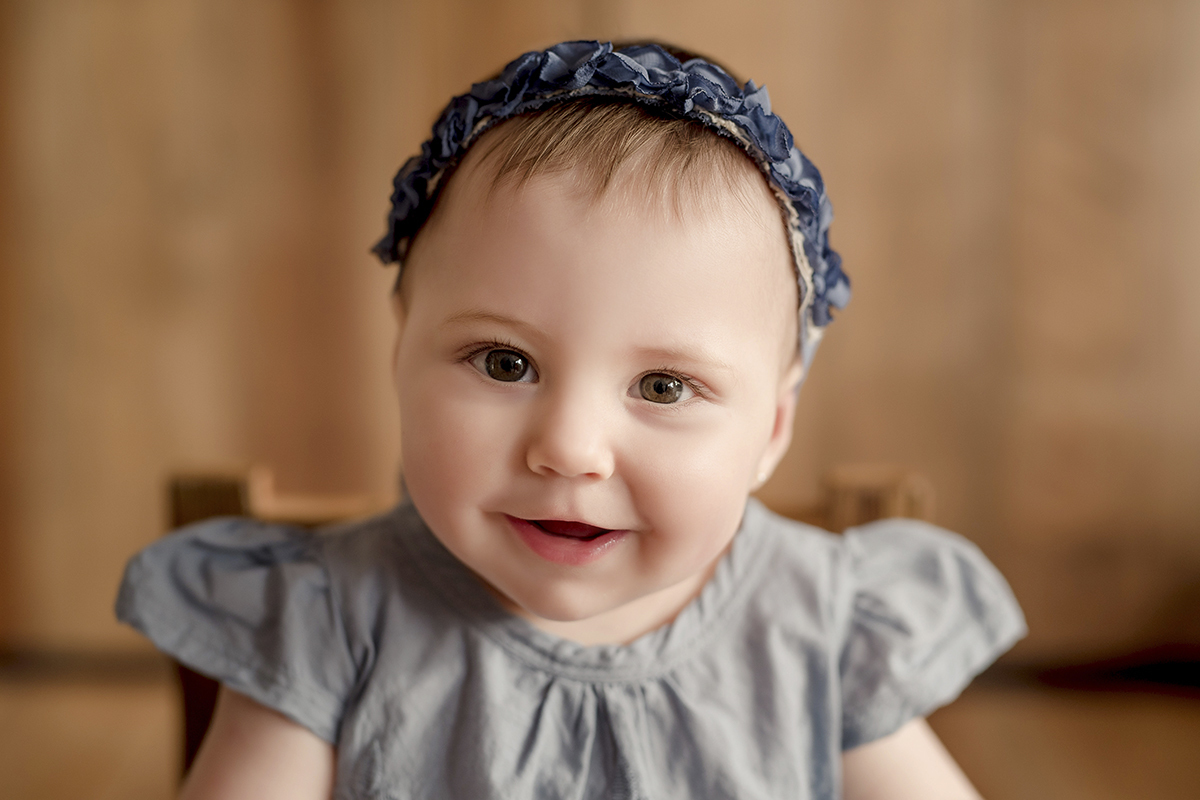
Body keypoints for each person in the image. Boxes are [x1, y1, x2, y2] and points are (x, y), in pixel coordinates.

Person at [117, 40, 1025, 799]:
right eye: (506, 364)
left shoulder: (821, 632)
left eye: (664, 387)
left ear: (774, 429)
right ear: (399, 354)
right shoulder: (327, 623)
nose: (569, 449)